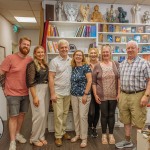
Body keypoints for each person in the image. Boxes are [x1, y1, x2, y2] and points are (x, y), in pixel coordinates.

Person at [115, 40, 150, 149]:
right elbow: (120, 79)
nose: (130, 50)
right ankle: (127, 141)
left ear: (137, 49)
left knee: (138, 121)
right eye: (128, 48)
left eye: (132, 48)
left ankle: (140, 144)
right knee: (126, 119)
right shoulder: (122, 63)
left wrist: (146, 96)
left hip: (138, 95)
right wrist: (119, 93)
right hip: (124, 95)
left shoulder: (144, 63)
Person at [0, 37, 32, 150]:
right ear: (19, 44)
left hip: (25, 93)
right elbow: (1, 73)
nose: (26, 46)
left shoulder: (30, 60)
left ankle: (18, 134)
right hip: (12, 93)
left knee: (22, 115)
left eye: (28, 45)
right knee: (13, 117)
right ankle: (12, 141)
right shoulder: (10, 58)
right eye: (24, 44)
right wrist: (4, 89)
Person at [92, 44, 119, 144]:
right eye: (104, 52)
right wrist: (95, 95)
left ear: (110, 53)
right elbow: (93, 82)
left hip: (113, 95)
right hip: (101, 96)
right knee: (104, 115)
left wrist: (119, 93)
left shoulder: (116, 64)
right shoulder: (97, 66)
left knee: (111, 115)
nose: (105, 54)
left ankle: (111, 135)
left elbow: (119, 79)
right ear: (101, 53)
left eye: (107, 52)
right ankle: (104, 135)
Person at [49, 39, 72, 147]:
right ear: (58, 49)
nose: (64, 49)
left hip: (68, 92)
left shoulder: (71, 60)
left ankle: (63, 132)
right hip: (57, 92)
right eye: (62, 47)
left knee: (65, 114)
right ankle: (58, 136)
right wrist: (52, 93)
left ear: (68, 48)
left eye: (66, 47)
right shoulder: (54, 61)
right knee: (58, 115)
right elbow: (51, 78)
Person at [26, 46, 49, 146]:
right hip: (36, 90)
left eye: (42, 52)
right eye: (38, 52)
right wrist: (35, 97)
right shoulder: (31, 65)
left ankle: (41, 136)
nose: (40, 54)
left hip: (46, 90)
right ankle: (34, 138)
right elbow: (30, 82)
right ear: (34, 53)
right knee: (39, 115)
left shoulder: (44, 64)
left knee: (44, 115)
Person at [70, 50, 92, 148]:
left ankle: (84, 138)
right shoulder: (73, 67)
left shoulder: (86, 66)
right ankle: (77, 134)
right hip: (73, 95)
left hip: (84, 95)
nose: (78, 57)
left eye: (80, 55)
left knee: (83, 116)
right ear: (74, 56)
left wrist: (85, 94)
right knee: (75, 115)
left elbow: (90, 80)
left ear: (82, 57)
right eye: (76, 55)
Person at [87, 48, 100, 138]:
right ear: (89, 54)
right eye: (91, 53)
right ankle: (89, 127)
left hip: (99, 90)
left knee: (97, 111)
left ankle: (94, 128)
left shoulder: (101, 64)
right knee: (91, 112)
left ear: (97, 54)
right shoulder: (86, 64)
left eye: (95, 53)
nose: (93, 54)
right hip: (89, 90)